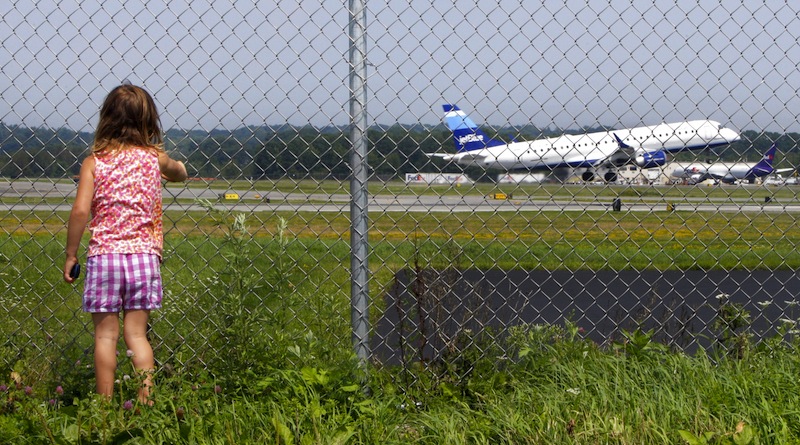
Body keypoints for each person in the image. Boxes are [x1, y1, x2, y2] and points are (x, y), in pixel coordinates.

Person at [63, 84, 187, 403]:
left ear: (106, 118)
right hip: (144, 258)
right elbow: (178, 172)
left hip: (105, 257)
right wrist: (177, 168)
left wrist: (71, 254)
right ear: (149, 121)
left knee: (106, 335)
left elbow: (80, 210)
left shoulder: (95, 162)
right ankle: (145, 404)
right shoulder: (153, 157)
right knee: (136, 335)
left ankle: (103, 408)